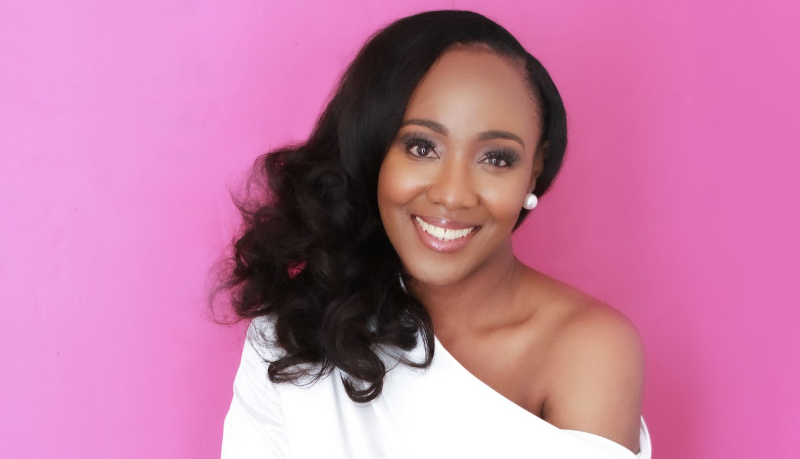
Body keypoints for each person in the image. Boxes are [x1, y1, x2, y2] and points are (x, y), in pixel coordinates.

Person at [214, 9, 652, 459]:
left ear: (535, 168)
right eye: (421, 147)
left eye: (496, 158)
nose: (453, 195)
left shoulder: (588, 348)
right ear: (372, 150)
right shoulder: (296, 331)